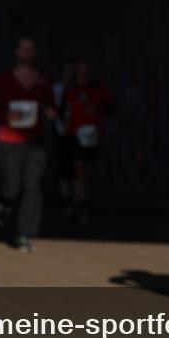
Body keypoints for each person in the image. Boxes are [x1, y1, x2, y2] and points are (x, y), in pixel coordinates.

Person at [0, 36, 56, 251]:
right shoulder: (5, 78)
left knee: (32, 186)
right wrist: (5, 114)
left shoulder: (43, 79)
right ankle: (5, 203)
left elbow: (50, 104)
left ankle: (25, 235)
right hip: (9, 139)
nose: (26, 53)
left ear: (34, 53)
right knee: (12, 187)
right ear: (17, 52)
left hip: (35, 141)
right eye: (23, 49)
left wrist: (50, 112)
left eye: (30, 49)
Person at [63, 60, 112, 224]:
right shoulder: (71, 89)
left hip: (92, 135)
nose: (82, 74)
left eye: (85, 71)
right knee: (79, 167)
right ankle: (82, 206)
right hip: (74, 135)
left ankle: (81, 199)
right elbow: (63, 109)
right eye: (80, 71)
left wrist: (97, 110)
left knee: (88, 171)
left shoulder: (97, 88)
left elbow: (110, 107)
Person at [52, 58, 76, 214]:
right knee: (64, 169)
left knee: (77, 167)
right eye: (66, 70)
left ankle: (77, 199)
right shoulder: (57, 89)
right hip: (61, 133)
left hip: (76, 132)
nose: (69, 74)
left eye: (71, 70)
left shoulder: (77, 89)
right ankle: (67, 200)